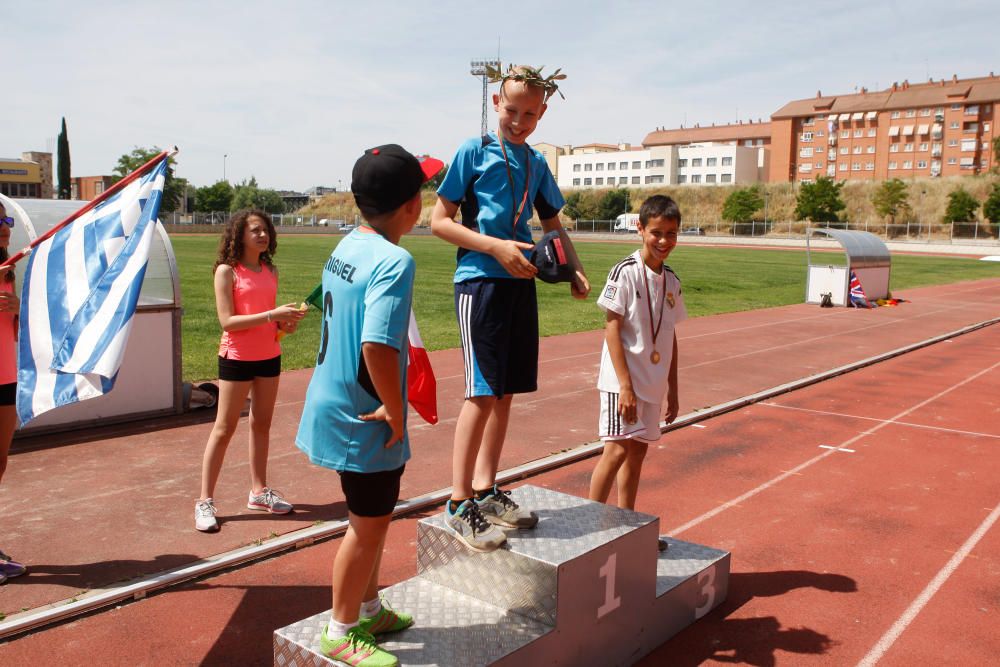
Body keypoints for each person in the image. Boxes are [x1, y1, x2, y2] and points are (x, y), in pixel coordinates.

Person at [431, 64, 590, 552]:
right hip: (480, 283)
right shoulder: (472, 152)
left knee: (504, 395)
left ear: (540, 116)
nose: (518, 121)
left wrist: (574, 268)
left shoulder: (537, 164)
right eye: (511, 110)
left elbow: (552, 224)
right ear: (496, 103)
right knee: (481, 392)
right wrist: (494, 247)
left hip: (521, 284)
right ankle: (459, 503)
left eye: (529, 114)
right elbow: (439, 221)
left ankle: (486, 489)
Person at [296, 145, 443, 667]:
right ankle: (340, 631)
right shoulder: (395, 260)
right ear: (410, 205)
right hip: (365, 415)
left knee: (374, 517)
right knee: (366, 524)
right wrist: (395, 408)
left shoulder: (347, 245)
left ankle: (368, 607)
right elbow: (377, 346)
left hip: (333, 403)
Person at [195, 209, 306, 532]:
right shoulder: (227, 272)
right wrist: (273, 314)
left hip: (269, 355)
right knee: (224, 428)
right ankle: (205, 501)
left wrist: (286, 324)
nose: (262, 235)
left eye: (265, 230)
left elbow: (270, 324)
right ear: (239, 235)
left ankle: (259, 491)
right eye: (255, 230)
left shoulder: (270, 270)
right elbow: (228, 321)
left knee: (262, 425)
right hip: (237, 357)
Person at [589, 195, 686, 552]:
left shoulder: (672, 281)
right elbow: (611, 327)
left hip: (652, 382)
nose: (664, 241)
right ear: (640, 229)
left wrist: (673, 389)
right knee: (615, 451)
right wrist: (625, 387)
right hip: (623, 382)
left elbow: (670, 334)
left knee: (638, 453)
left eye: (672, 234)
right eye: (657, 233)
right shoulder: (625, 272)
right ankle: (591, 527)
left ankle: (624, 525)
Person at [0, 202, 26, 583]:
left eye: (5, 219)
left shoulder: (8, 269)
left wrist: (18, 307)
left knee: (0, 464)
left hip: (7, 376)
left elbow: (18, 327)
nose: (5, 226)